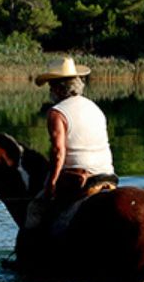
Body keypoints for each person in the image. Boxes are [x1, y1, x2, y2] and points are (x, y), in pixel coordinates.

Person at [34, 55, 116, 205]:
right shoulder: (94, 107)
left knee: (35, 209)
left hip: (80, 179)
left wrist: (50, 185)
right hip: (108, 175)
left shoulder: (57, 113)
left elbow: (58, 152)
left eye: (51, 85)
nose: (50, 90)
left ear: (59, 88)